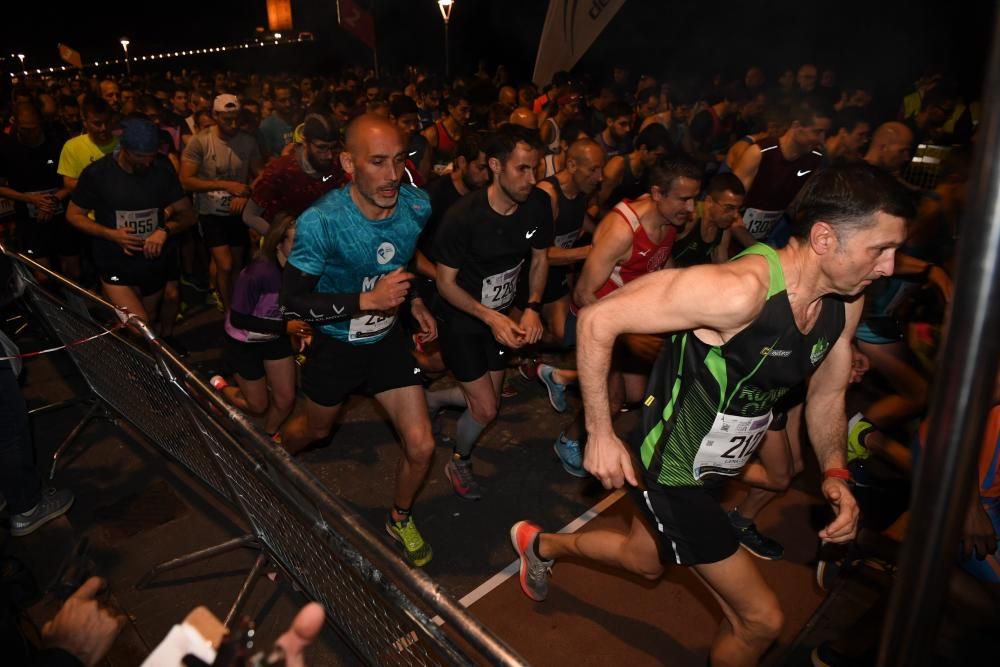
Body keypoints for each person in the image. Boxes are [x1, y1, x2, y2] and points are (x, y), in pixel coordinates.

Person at [512, 162, 914, 667]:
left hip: (716, 468)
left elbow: (829, 395)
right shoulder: (738, 290)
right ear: (825, 238)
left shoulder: (844, 300)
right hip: (672, 469)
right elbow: (596, 318)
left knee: (645, 562)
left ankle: (540, 544)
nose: (889, 268)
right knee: (761, 620)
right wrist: (600, 433)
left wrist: (834, 470)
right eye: (881, 249)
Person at [278, 114, 437, 567]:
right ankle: (271, 455)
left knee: (422, 444)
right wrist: (366, 300)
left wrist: (415, 303)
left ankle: (399, 517)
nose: (393, 176)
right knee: (316, 430)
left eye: (400, 160)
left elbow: (401, 263)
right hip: (335, 345)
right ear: (349, 163)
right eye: (378, 162)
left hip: (385, 340)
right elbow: (293, 302)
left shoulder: (418, 205)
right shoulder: (322, 223)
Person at [551, 156, 701, 476]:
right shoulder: (623, 230)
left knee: (634, 394)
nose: (691, 209)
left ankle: (562, 377)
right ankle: (568, 440)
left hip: (629, 317)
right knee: (614, 397)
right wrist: (627, 335)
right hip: (597, 321)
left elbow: (662, 261)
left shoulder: (672, 219)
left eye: (694, 198)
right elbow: (582, 294)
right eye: (684, 199)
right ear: (657, 194)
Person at [431, 124, 552, 500]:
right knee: (485, 410)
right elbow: (444, 283)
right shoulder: (463, 217)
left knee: (489, 400)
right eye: (523, 169)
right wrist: (491, 317)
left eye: (536, 168)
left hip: (500, 317)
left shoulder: (537, 205)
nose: (532, 179)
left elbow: (540, 258)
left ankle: (431, 400)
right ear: (496, 166)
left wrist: (531, 307)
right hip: (462, 320)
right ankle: (459, 460)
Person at [65, 118, 196, 344]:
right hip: (115, 261)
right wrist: (111, 234)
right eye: (139, 157)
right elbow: (73, 215)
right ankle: (141, 374)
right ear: (123, 149)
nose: (146, 163)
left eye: (151, 157)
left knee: (150, 320)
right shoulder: (98, 174)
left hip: (152, 260)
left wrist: (164, 230)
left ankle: (141, 367)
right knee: (140, 326)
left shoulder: (162, 168)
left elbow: (188, 215)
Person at [210, 214, 310, 439]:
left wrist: (303, 331)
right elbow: (239, 319)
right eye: (296, 241)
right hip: (244, 341)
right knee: (257, 406)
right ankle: (219, 387)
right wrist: (287, 328)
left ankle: (268, 438)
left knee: (285, 399)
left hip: (275, 337)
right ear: (279, 242)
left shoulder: (303, 270)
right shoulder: (257, 274)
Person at [180, 94, 263, 314]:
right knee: (224, 264)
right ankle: (228, 310)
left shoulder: (248, 141)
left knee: (236, 265)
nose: (233, 124)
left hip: (237, 210)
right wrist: (226, 184)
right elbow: (186, 180)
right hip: (210, 211)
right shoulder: (201, 141)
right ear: (215, 115)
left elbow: (260, 174)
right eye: (227, 119)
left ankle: (237, 308)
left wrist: (246, 194)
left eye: (236, 118)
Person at [731, 103, 831, 246]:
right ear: (796, 126)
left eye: (825, 133)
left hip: (765, 239)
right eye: (817, 132)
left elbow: (796, 208)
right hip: (733, 239)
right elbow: (728, 208)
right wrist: (756, 249)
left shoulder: (814, 160)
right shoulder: (759, 153)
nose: (822, 140)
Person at [0, 103, 74, 278]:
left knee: (73, 269)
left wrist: (52, 201)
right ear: (16, 124)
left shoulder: (56, 142)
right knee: (42, 275)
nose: (30, 133)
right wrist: (31, 200)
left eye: (34, 128)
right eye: (25, 129)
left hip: (62, 215)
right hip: (29, 220)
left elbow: (72, 181)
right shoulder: (7, 147)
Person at [242, 114, 345, 235]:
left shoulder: (336, 166)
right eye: (321, 147)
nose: (329, 155)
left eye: (332, 148)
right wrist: (284, 240)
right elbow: (249, 215)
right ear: (305, 142)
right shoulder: (281, 170)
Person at [669, 172, 745, 268]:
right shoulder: (690, 218)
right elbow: (663, 253)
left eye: (739, 209)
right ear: (709, 201)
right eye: (729, 208)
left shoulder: (724, 227)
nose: (735, 215)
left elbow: (721, 263)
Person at [598, 123, 673, 215]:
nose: (659, 160)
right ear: (644, 149)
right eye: (657, 155)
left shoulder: (649, 169)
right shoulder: (618, 166)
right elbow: (597, 203)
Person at [422, 93, 470, 175]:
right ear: (450, 108)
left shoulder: (467, 134)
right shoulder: (432, 134)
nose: (467, 116)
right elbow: (422, 170)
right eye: (463, 110)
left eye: (469, 111)